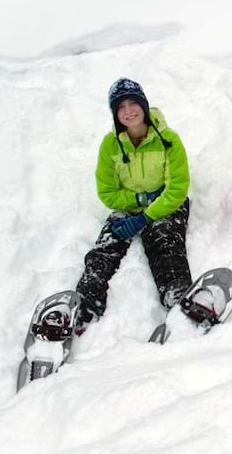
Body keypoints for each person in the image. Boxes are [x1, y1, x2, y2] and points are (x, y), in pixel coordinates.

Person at [74, 77, 192, 332]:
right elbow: (107, 192)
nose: (128, 111)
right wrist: (138, 201)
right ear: (115, 113)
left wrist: (146, 216)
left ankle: (178, 296)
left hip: (167, 203)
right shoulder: (110, 144)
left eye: (133, 103)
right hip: (129, 206)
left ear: (144, 105)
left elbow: (177, 187)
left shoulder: (168, 139)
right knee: (104, 249)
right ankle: (86, 302)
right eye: (121, 107)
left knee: (164, 240)